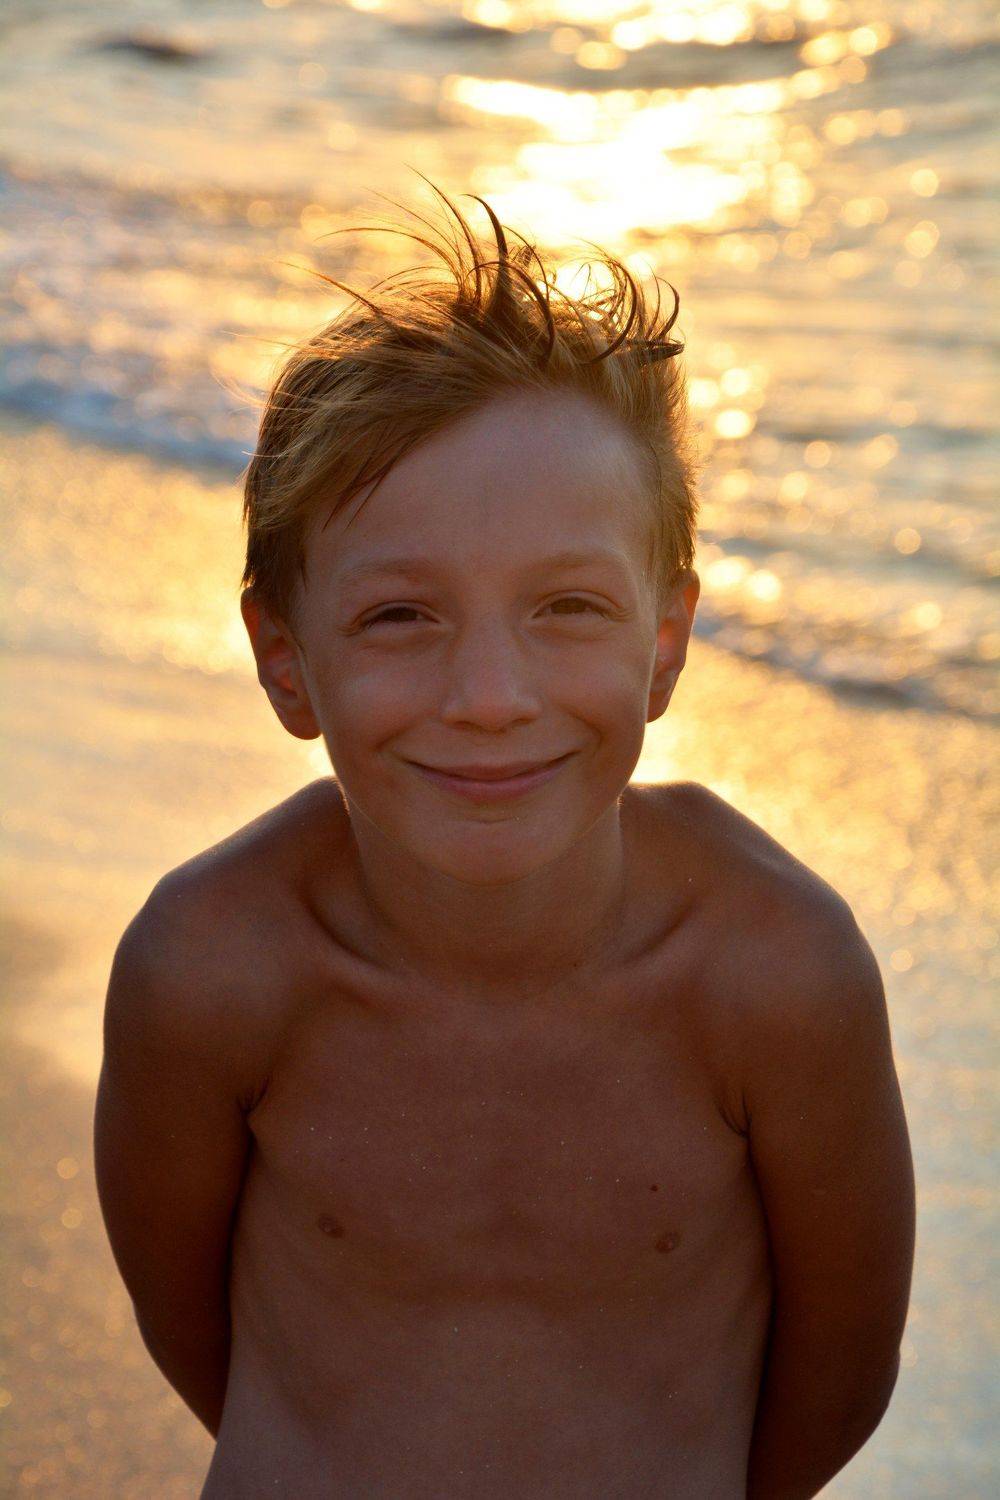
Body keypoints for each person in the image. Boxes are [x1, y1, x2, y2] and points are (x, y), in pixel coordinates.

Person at [93, 178, 915, 1499]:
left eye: (568, 606)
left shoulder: (775, 975)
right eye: (400, 617)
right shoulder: (212, 968)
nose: (489, 697)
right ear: (286, 658)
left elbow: (839, 1380)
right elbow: (192, 1329)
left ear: (666, 639)